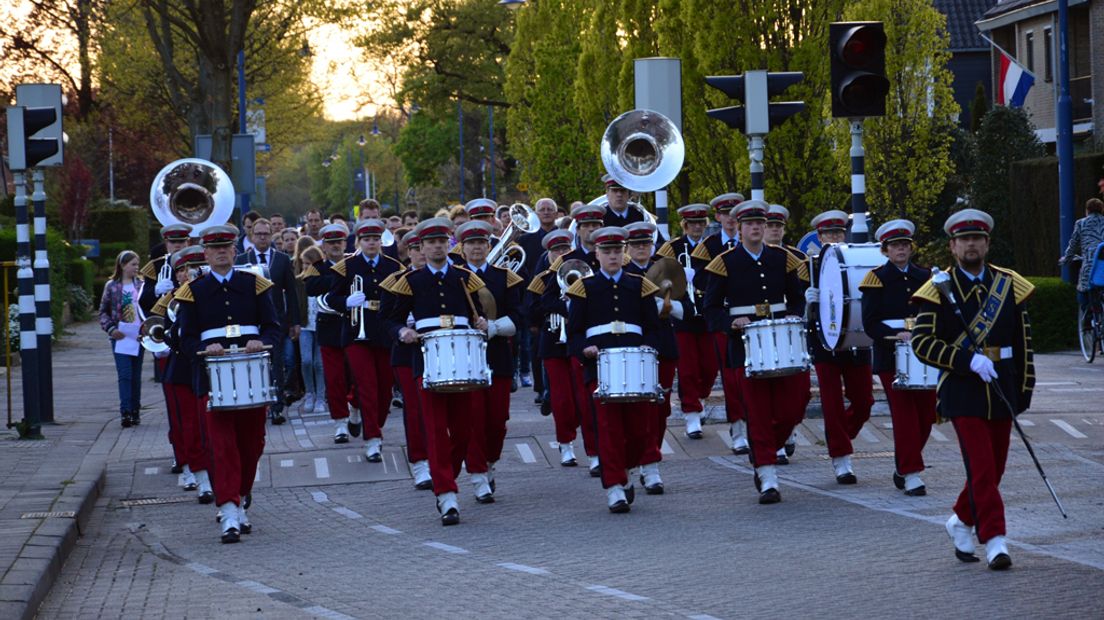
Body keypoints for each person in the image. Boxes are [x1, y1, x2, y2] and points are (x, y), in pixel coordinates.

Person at [910, 208, 1035, 570]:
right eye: (964, 239)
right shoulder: (937, 289)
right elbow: (923, 343)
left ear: (987, 243)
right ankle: (996, 540)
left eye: (977, 239)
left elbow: (1023, 342)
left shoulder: (1009, 283)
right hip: (963, 390)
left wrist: (1024, 390)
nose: (971, 245)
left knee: (994, 469)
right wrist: (966, 361)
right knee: (981, 467)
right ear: (952, 246)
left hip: (1002, 388)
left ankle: (960, 520)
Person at [175, 224, 281, 544]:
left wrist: (259, 342)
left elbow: (274, 327)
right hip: (213, 377)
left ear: (235, 250)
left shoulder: (255, 285)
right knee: (222, 446)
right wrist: (203, 349)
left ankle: (240, 493)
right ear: (205, 253)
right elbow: (186, 337)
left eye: (226, 247)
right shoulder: (193, 291)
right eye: (214, 248)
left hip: (251, 375)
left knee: (253, 444)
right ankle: (229, 509)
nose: (221, 252)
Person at [383, 217, 489, 526]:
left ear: (449, 244)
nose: (437, 247)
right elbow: (390, 319)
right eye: (430, 243)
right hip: (426, 362)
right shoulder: (410, 281)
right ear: (422, 247)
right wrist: (401, 331)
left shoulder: (464, 278)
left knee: (464, 429)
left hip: (462, 362)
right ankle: (446, 494)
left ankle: (447, 474)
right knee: (434, 430)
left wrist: (481, 322)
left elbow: (477, 315)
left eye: (442, 241)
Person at [703, 200, 806, 504]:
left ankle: (767, 451)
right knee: (758, 412)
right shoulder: (725, 262)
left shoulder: (782, 259)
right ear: (740, 227)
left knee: (794, 406)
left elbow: (797, 299)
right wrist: (730, 322)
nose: (757, 228)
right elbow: (709, 308)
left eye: (760, 223)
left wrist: (793, 315)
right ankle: (767, 474)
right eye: (750, 224)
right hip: (745, 345)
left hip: (783, 342)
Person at [567, 226, 661, 513]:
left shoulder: (640, 284)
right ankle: (615, 487)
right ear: (597, 254)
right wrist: (584, 348)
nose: (612, 256)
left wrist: (648, 347)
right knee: (607, 430)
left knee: (638, 431)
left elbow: (654, 328)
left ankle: (629, 468)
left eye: (617, 251)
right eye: (606, 251)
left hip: (635, 368)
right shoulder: (584, 287)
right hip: (600, 367)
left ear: (625, 252)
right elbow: (573, 334)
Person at [859, 220, 935, 496]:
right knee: (904, 417)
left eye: (904, 244)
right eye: (894, 246)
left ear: (910, 247)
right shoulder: (875, 278)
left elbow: (934, 314)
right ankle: (913, 474)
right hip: (892, 356)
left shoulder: (925, 276)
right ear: (885, 250)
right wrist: (898, 334)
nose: (900, 249)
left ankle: (903, 464)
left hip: (923, 355)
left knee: (927, 415)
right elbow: (870, 323)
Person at [804, 210, 874, 484]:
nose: (834, 237)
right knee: (832, 403)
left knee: (865, 401)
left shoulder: (855, 261)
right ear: (819, 237)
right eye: (829, 233)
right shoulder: (807, 267)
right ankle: (841, 458)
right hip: (825, 343)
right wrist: (807, 301)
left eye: (838, 232)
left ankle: (838, 436)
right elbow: (798, 308)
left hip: (855, 342)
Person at [456, 221, 523, 503]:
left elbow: (521, 316)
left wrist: (493, 327)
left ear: (488, 245)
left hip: (497, 356)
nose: (476, 248)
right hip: (465, 357)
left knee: (498, 421)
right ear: (462, 248)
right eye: (471, 243)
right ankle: (477, 474)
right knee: (473, 419)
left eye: (481, 243)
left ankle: (490, 462)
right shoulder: (453, 277)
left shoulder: (504, 277)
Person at [327, 219, 404, 461]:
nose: (371, 243)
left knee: (384, 392)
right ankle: (373, 439)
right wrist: (345, 302)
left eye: (375, 239)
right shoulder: (346, 266)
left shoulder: (393, 267)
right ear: (359, 242)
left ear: (381, 241)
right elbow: (331, 298)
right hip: (355, 334)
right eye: (367, 239)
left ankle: (372, 424)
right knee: (367, 385)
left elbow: (402, 299)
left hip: (385, 332)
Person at [625, 221, 685, 494]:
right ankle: (645, 464)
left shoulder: (667, 270)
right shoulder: (621, 272)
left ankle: (651, 460)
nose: (641, 249)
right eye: (636, 244)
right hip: (633, 350)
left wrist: (668, 305)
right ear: (627, 247)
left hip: (663, 347)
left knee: (660, 410)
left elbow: (687, 308)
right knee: (637, 409)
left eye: (646, 244)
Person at [528, 230, 597, 467]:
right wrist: (565, 306)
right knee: (561, 400)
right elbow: (536, 307)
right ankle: (566, 444)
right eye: (556, 251)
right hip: (553, 344)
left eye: (564, 249)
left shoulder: (585, 271)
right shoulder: (545, 277)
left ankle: (593, 452)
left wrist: (576, 310)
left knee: (585, 399)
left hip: (578, 343)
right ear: (548, 254)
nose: (561, 254)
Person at [152, 246, 214, 503]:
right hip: (182, 368)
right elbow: (158, 328)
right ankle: (196, 473)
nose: (189, 273)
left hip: (210, 366)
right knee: (187, 424)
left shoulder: (214, 293)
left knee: (212, 427)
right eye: (184, 270)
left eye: (195, 268)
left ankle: (214, 474)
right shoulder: (171, 299)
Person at [691, 193, 749, 454]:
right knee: (730, 377)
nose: (730, 218)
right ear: (717, 217)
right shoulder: (708, 245)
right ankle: (737, 429)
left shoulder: (748, 242)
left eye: (734, 212)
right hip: (726, 318)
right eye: (725, 213)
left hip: (752, 317)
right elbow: (700, 280)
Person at [656, 203, 718, 439]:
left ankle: (699, 398)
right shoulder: (671, 248)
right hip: (682, 314)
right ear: (684, 225)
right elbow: (660, 276)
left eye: (701, 223)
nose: (697, 228)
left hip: (707, 312)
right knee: (688, 367)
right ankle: (691, 413)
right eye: (692, 224)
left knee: (711, 367)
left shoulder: (711, 246)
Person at [379, 230, 433, 490]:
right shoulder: (395, 281)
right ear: (409, 252)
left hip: (438, 351)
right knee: (415, 409)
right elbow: (386, 319)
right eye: (416, 249)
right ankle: (420, 462)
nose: (422, 253)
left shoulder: (443, 278)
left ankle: (439, 457)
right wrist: (402, 331)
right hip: (407, 354)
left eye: (424, 248)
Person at [236, 218, 300, 425]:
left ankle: (277, 407)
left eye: (266, 234)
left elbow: (291, 293)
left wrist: (294, 321)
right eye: (259, 234)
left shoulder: (281, 260)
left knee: (277, 364)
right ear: (252, 236)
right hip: (251, 322)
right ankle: (257, 406)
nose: (262, 237)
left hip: (276, 320)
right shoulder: (241, 259)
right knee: (254, 365)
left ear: (272, 235)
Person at [764, 203, 810, 462]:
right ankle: (776, 441)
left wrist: (799, 310)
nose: (773, 231)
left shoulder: (795, 258)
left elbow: (799, 295)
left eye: (777, 226)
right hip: (761, 329)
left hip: (790, 329)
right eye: (769, 226)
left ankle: (788, 429)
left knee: (796, 387)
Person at [303, 223, 358, 431]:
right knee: (334, 380)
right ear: (324, 246)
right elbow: (311, 288)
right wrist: (339, 279)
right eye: (331, 243)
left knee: (356, 376)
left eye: (339, 242)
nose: (335, 246)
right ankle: (340, 422)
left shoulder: (355, 263)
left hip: (353, 327)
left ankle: (354, 410)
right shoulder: (317, 267)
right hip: (329, 329)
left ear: (345, 243)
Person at [99, 250, 146, 428]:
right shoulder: (112, 286)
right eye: (133, 264)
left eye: (137, 264)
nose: (136, 267)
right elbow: (103, 311)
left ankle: (135, 410)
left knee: (136, 375)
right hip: (120, 336)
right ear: (123, 265)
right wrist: (111, 329)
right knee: (124, 374)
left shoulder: (141, 285)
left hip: (138, 335)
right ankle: (125, 411)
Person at [293, 236, 326, 413]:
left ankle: (321, 397)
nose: (305, 268)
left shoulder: (324, 279)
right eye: (303, 264)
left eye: (308, 264)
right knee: (306, 361)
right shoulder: (299, 281)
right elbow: (295, 303)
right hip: (305, 326)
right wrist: (295, 323)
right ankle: (310, 393)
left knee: (318, 363)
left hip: (321, 326)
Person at [1060, 198, 1104, 313]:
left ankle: (1087, 319)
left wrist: (1066, 259)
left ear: (1087, 210)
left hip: (1090, 267)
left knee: (1082, 291)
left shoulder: (1081, 223)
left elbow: (1073, 245)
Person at [139, 224, 192, 317]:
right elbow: (143, 301)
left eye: (181, 241)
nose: (177, 245)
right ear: (167, 244)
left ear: (188, 242)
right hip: (163, 318)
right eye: (173, 241)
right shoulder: (156, 265)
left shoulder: (196, 264)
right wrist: (155, 290)